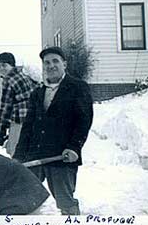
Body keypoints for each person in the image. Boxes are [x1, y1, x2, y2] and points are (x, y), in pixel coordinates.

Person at [13, 46, 93, 215]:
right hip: (35, 155)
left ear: (64, 64)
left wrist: (74, 147)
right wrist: (19, 155)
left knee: (65, 201)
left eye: (55, 61)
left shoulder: (77, 88)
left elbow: (83, 121)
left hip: (61, 155)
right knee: (23, 197)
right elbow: (28, 126)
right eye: (47, 62)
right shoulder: (38, 93)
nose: (51, 65)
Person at [0, 52, 38, 156]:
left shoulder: (9, 80)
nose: (1, 68)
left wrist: (0, 132)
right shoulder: (23, 76)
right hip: (33, 118)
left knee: (13, 151)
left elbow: (5, 108)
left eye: (4, 65)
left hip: (19, 120)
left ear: (12, 65)